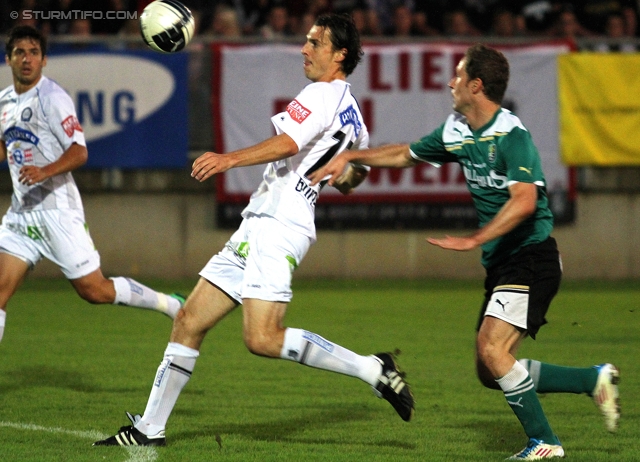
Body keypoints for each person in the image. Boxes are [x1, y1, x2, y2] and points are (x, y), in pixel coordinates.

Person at [93, 13, 414, 448]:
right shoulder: (353, 112)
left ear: (340, 55)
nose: (305, 48)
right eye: (306, 40)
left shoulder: (321, 94)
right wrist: (337, 172)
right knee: (188, 320)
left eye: (315, 43)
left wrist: (227, 159)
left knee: (262, 338)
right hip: (260, 223)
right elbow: (351, 178)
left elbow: (288, 143)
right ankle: (149, 427)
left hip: (279, 225)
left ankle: (372, 369)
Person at [308, 43, 620, 460]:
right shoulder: (457, 128)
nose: (450, 82)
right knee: (491, 370)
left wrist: (474, 239)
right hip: (504, 263)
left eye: (458, 75)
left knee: (494, 352)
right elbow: (406, 154)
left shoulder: (511, 135)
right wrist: (351, 155)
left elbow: (525, 201)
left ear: (476, 85)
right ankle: (591, 379)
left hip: (531, 255)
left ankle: (545, 443)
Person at [0, 25, 185, 345]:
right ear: (9, 59)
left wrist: (45, 171)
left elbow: (79, 151)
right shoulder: (4, 101)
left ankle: (168, 303)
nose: (26, 59)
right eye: (20, 52)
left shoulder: (53, 99)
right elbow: (6, 145)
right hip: (22, 214)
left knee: (94, 290)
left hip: (58, 210)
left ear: (44, 60)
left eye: (33, 52)